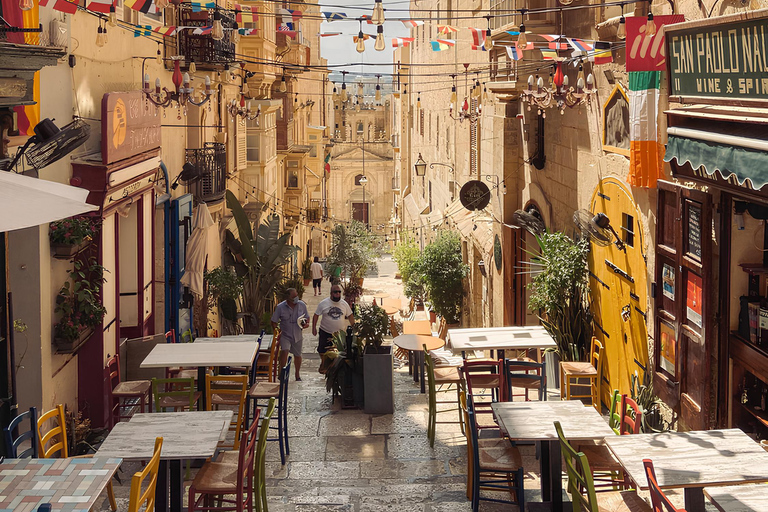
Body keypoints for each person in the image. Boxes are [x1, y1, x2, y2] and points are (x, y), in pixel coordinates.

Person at [271, 288, 309, 381]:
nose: (296, 299)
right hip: (285, 334)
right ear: (288, 298)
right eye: (293, 297)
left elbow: (307, 317)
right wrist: (277, 330)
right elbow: (273, 321)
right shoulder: (280, 307)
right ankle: (282, 373)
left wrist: (306, 324)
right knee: (285, 351)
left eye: (296, 296)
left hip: (297, 333)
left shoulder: (302, 305)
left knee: (298, 354)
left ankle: (297, 375)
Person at [312, 284, 355, 358]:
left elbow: (350, 316)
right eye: (335, 292)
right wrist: (313, 328)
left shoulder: (344, 304)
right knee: (323, 352)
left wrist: (354, 327)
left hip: (339, 335)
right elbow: (316, 315)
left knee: (339, 355)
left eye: (339, 292)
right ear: (331, 293)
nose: (338, 294)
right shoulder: (323, 303)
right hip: (325, 333)